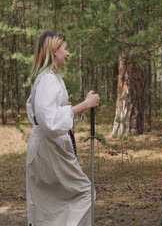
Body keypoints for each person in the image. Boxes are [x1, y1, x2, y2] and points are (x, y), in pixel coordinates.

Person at [25, 31, 100, 226]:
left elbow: (41, 113)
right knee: (84, 193)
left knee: (49, 203)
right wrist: (85, 104)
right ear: (54, 51)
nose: (68, 53)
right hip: (49, 147)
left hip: (46, 145)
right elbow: (49, 121)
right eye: (65, 49)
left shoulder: (46, 78)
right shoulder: (47, 79)